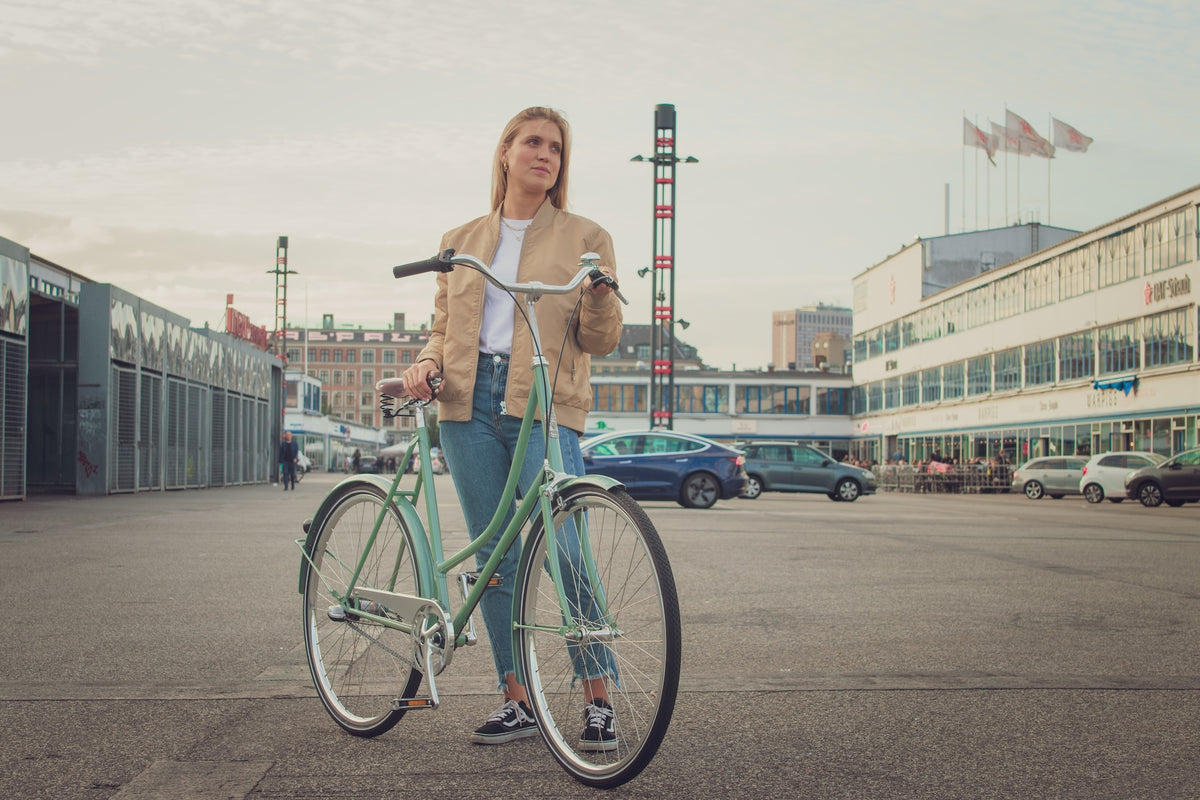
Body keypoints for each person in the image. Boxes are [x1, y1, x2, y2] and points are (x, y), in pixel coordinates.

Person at [401, 107, 622, 750]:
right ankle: (516, 697)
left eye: (555, 147)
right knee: (496, 556)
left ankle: (598, 697)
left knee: (566, 548)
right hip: (467, 405)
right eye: (532, 142)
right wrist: (425, 362)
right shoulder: (462, 239)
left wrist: (603, 298)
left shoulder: (588, 237)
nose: (544, 154)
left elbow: (598, 339)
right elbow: (443, 329)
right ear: (505, 153)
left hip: (543, 401)